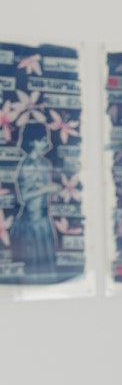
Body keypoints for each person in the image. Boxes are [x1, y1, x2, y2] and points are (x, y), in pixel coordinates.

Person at [11, 121, 63, 283]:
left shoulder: (44, 164)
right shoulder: (25, 166)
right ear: (33, 142)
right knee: (32, 268)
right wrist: (46, 189)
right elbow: (24, 197)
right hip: (30, 224)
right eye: (43, 140)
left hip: (43, 221)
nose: (47, 143)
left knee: (46, 266)